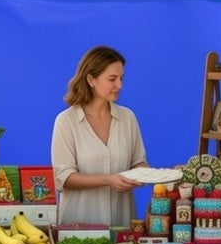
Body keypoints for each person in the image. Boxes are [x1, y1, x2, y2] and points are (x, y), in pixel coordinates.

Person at [51, 45, 150, 227]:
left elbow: (139, 162)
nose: (119, 85)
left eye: (121, 78)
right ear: (91, 79)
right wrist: (108, 180)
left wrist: (146, 175)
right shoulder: (66, 121)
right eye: (112, 79)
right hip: (78, 226)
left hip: (122, 224)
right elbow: (63, 177)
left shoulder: (127, 118)